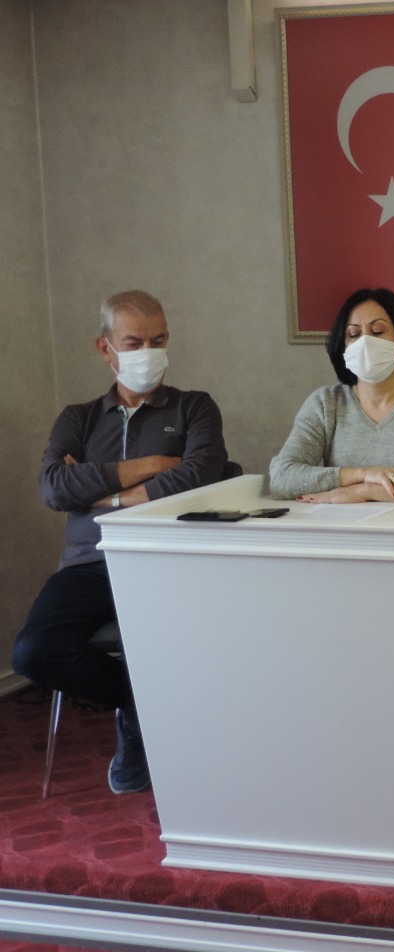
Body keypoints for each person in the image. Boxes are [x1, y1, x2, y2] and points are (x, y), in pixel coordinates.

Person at [13, 290, 228, 794]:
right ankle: (138, 706)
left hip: (169, 563)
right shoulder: (79, 417)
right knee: (33, 652)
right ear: (105, 348)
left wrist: (99, 492)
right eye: (134, 343)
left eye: (158, 340)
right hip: (91, 563)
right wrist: (152, 465)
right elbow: (54, 489)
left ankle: (152, 727)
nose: (148, 352)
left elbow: (201, 475)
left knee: (173, 640)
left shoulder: (194, 407)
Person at [269, 288, 394, 503]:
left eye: (377, 331)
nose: (365, 342)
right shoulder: (325, 403)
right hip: (339, 524)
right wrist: (363, 474)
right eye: (354, 334)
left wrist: (363, 491)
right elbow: (282, 478)